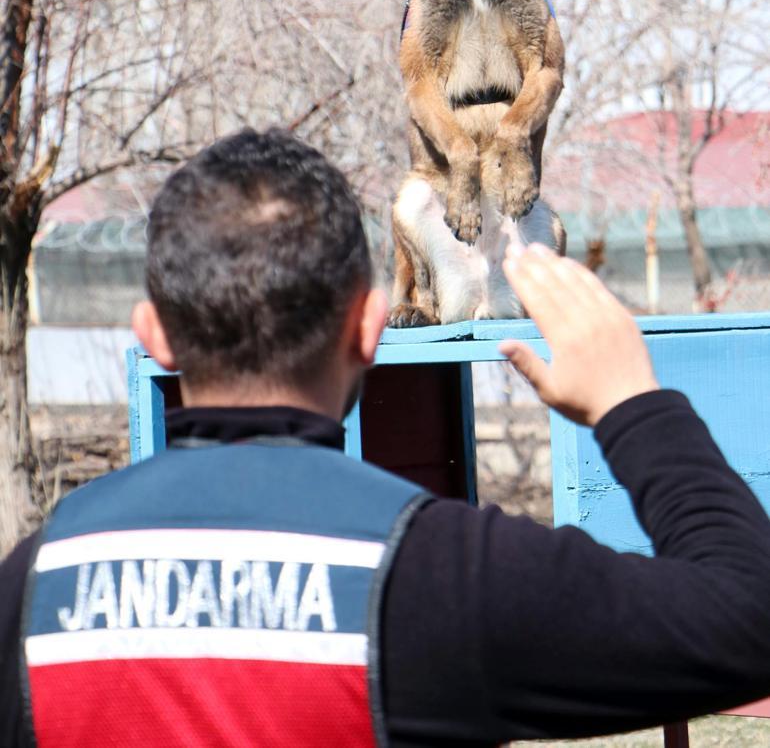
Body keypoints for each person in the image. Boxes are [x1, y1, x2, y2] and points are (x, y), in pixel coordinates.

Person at [2, 127, 770, 748]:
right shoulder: (443, 572)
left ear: (155, 337)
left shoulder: (30, 588)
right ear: (368, 329)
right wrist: (632, 402)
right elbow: (749, 619)